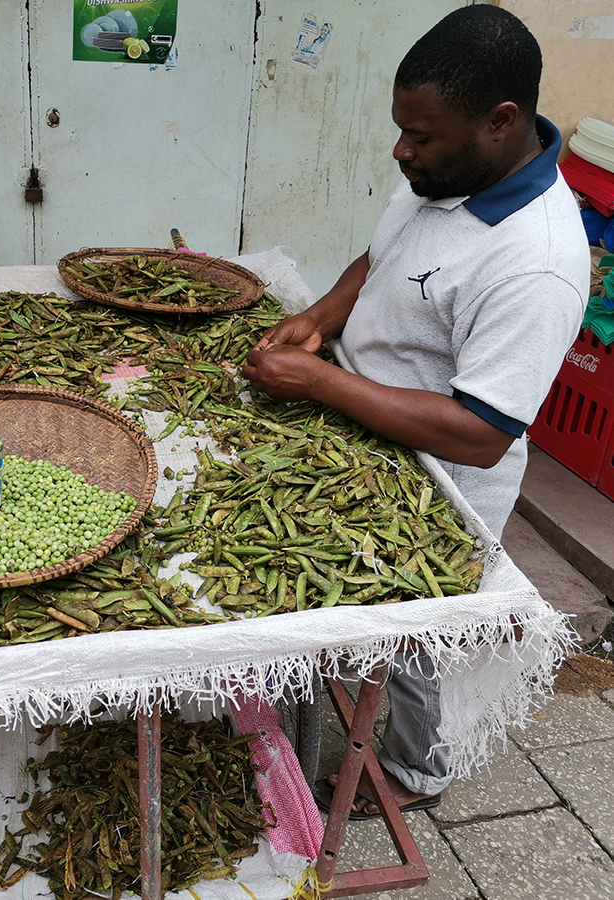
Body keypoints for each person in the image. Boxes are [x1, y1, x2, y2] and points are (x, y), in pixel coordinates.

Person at [243, 6, 590, 818]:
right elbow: (387, 255)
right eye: (402, 129)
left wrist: (322, 383)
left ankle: (414, 772)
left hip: (442, 478)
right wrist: (323, 317)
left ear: (500, 123)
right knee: (357, 598)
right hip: (366, 431)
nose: (402, 151)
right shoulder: (451, 170)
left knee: (420, 637)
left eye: (420, 136)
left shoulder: (535, 262)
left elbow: (478, 434)